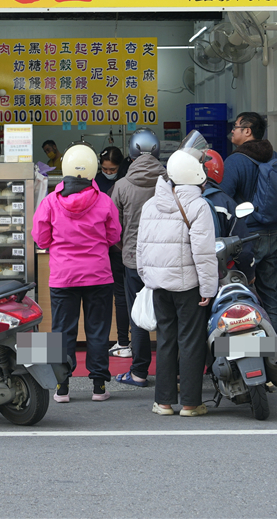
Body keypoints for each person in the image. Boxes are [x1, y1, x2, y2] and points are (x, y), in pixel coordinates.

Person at [31, 144, 121, 403]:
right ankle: (99, 387)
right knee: (98, 330)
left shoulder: (50, 201)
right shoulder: (104, 200)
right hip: (98, 275)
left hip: (63, 276)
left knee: (61, 332)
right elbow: (114, 235)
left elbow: (41, 238)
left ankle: (62, 387)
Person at [136, 132, 217, 416]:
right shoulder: (198, 206)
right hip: (189, 287)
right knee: (191, 342)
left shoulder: (150, 205)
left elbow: (140, 248)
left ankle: (164, 402)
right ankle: (191, 403)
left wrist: (148, 278)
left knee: (166, 341)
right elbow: (204, 253)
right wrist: (209, 288)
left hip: (159, 286)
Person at [219, 112, 277, 334]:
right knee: (270, 291)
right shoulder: (274, 157)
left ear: (247, 131)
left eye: (236, 127)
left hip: (247, 237)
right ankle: (273, 346)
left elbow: (223, 199)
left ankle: (248, 345)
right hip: (274, 232)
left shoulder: (235, 161)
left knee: (241, 290)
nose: (232, 130)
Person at [109, 128, 164, 386]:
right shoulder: (170, 182)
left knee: (138, 316)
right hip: (167, 260)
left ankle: (139, 372)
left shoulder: (120, 186)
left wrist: (125, 248)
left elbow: (113, 229)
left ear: (130, 154)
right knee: (169, 316)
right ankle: (169, 372)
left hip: (133, 261)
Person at [95, 146, 130, 358]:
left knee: (120, 296)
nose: (108, 172)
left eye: (112, 169)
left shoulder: (124, 183)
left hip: (114, 247)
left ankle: (123, 343)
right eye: (105, 169)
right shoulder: (97, 183)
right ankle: (124, 343)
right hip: (113, 247)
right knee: (121, 296)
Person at [201, 149, 255, 282]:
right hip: (219, 274)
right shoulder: (226, 203)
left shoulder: (176, 199)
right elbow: (242, 246)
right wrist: (249, 275)